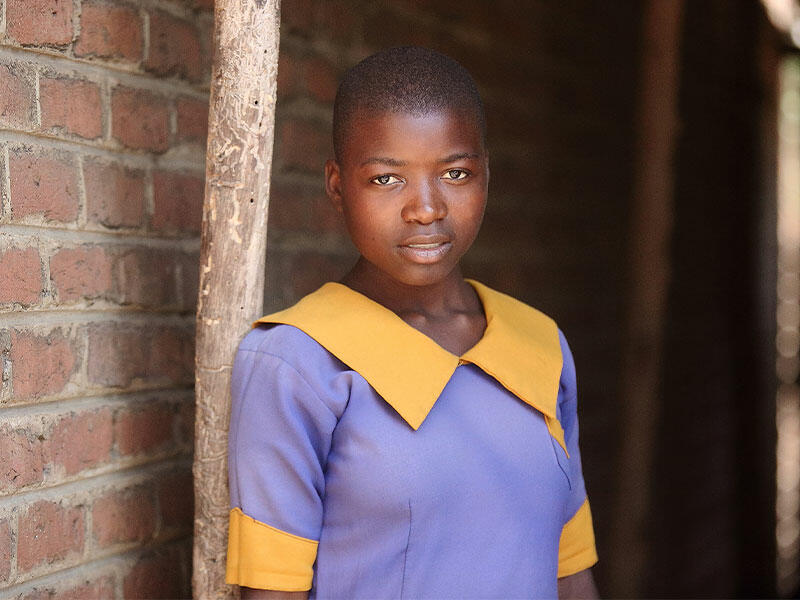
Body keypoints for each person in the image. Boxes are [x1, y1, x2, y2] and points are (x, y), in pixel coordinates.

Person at [225, 46, 598, 600]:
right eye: (386, 179)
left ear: (486, 177)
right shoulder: (295, 362)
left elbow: (570, 573)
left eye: (455, 172)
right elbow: (272, 593)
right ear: (336, 186)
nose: (426, 208)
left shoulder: (539, 344)